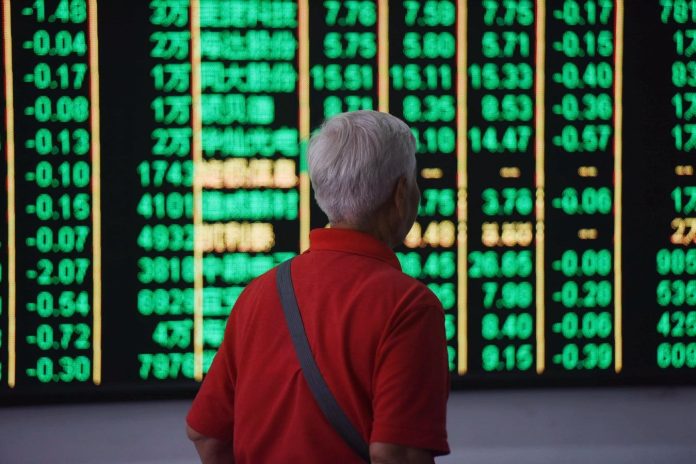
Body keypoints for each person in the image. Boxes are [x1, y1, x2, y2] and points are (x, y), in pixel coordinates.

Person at [186, 110, 450, 463]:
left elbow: (207, 434)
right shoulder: (408, 306)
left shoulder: (258, 294)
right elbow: (397, 453)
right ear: (401, 193)